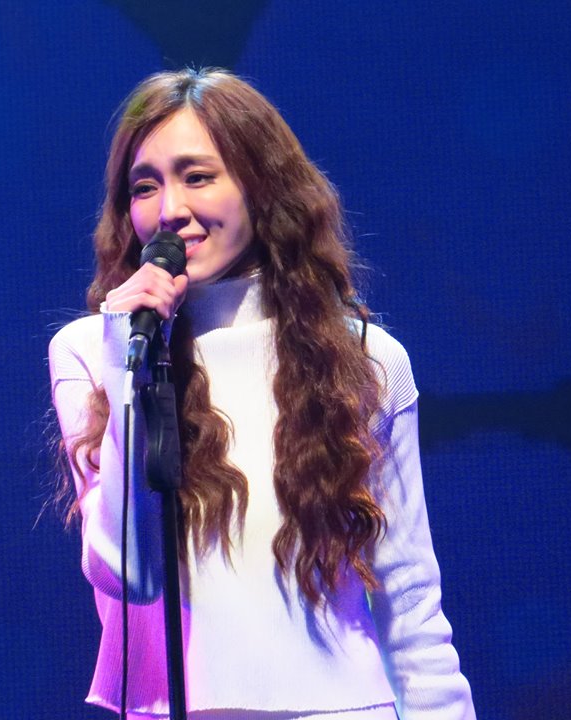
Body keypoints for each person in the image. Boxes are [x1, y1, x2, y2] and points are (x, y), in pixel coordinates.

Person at [48, 68, 475, 720]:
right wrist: (129, 360)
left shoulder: (365, 360)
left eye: (197, 176)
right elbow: (128, 572)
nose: (170, 210)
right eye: (145, 186)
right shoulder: (94, 350)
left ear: (259, 185)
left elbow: (409, 597)